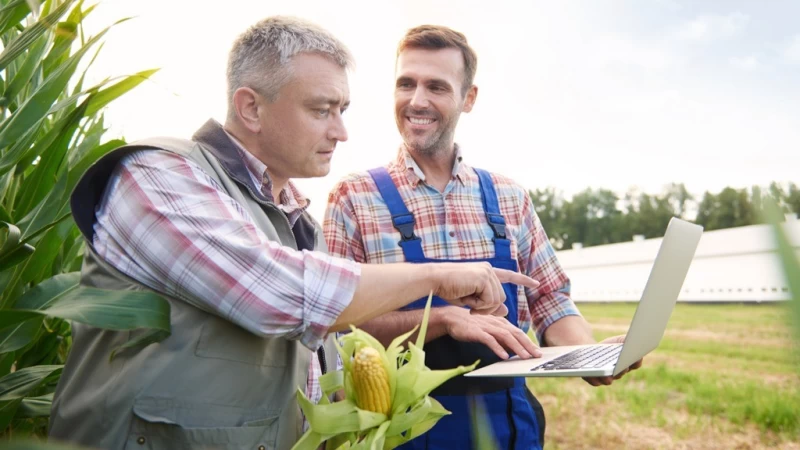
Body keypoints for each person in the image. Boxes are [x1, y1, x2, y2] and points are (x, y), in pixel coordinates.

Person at [48, 17, 539, 450]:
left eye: (342, 110)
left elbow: (322, 358)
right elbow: (278, 293)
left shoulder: (298, 223)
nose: (341, 131)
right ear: (251, 108)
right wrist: (436, 279)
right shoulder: (157, 176)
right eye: (322, 110)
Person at [324, 24, 642, 449]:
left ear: (468, 98)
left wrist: (589, 355)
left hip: (509, 425)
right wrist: (441, 321)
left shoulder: (508, 197)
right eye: (406, 84)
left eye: (436, 86)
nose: (417, 100)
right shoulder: (355, 197)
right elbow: (335, 326)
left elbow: (551, 300)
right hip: (404, 430)